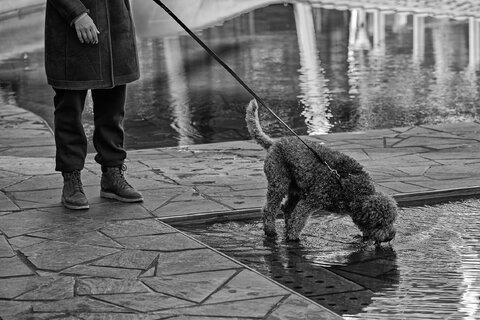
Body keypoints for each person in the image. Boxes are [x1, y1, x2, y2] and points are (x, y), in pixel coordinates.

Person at [45, 0, 143, 210]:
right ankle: (71, 178)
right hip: (71, 28)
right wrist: (76, 13)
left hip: (115, 26)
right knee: (69, 111)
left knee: (113, 109)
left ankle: (112, 174)